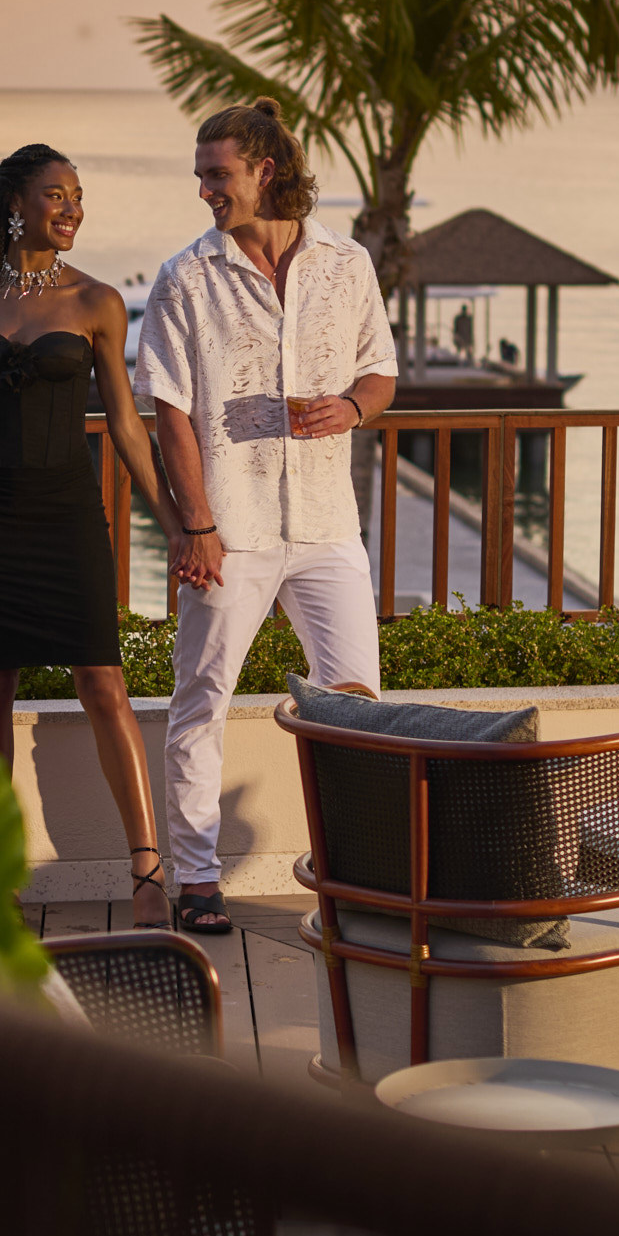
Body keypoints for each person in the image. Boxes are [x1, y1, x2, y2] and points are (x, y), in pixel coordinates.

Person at [135, 100, 398, 936]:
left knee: (359, 702)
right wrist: (197, 524)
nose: (206, 189)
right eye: (203, 174)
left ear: (266, 172)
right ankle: (200, 879)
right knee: (203, 697)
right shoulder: (187, 278)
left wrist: (353, 408)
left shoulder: (346, 263)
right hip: (234, 524)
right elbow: (168, 410)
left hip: (326, 522)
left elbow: (381, 371)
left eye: (219, 174)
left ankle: (363, 873)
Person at [0, 144, 186, 928]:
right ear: (16, 205)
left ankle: (147, 871)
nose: (72, 209)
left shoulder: (98, 301)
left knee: (103, 680)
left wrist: (175, 524)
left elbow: (128, 428)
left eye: (77, 196)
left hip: (67, 511)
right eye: (57, 196)